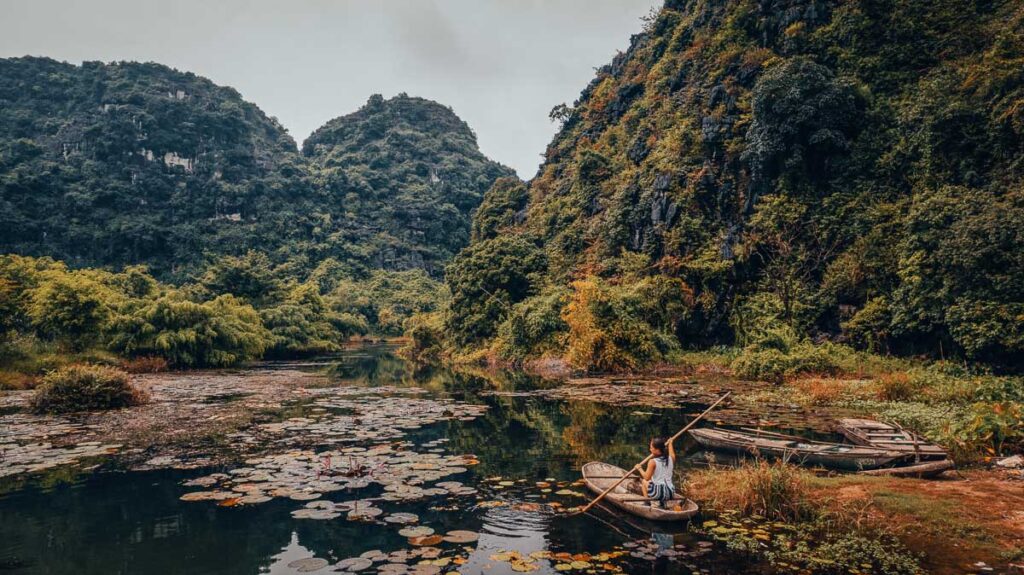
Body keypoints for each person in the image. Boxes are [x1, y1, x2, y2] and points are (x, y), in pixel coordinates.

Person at [638, 436, 675, 508]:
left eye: (651, 448)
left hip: (658, 493)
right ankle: (662, 503)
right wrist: (670, 443)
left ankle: (647, 502)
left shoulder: (652, 462)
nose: (650, 449)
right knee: (654, 480)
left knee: (644, 481)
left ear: (658, 450)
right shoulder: (671, 459)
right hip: (671, 493)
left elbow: (646, 477)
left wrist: (639, 468)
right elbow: (672, 453)